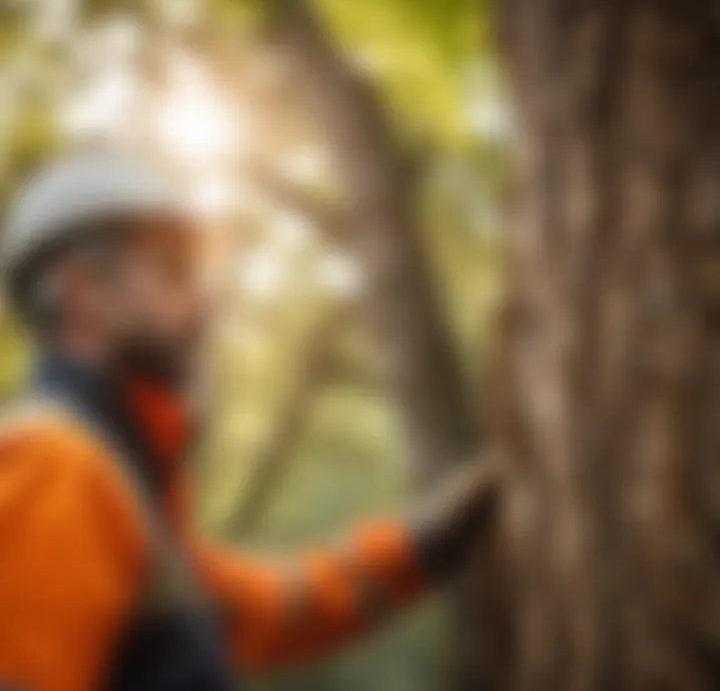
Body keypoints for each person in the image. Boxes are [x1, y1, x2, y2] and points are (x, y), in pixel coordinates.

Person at [0, 149, 500, 691]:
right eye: (173, 271)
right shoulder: (59, 466)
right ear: (84, 291)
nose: (202, 301)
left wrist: (432, 544)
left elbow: (285, 609)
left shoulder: (129, 498)